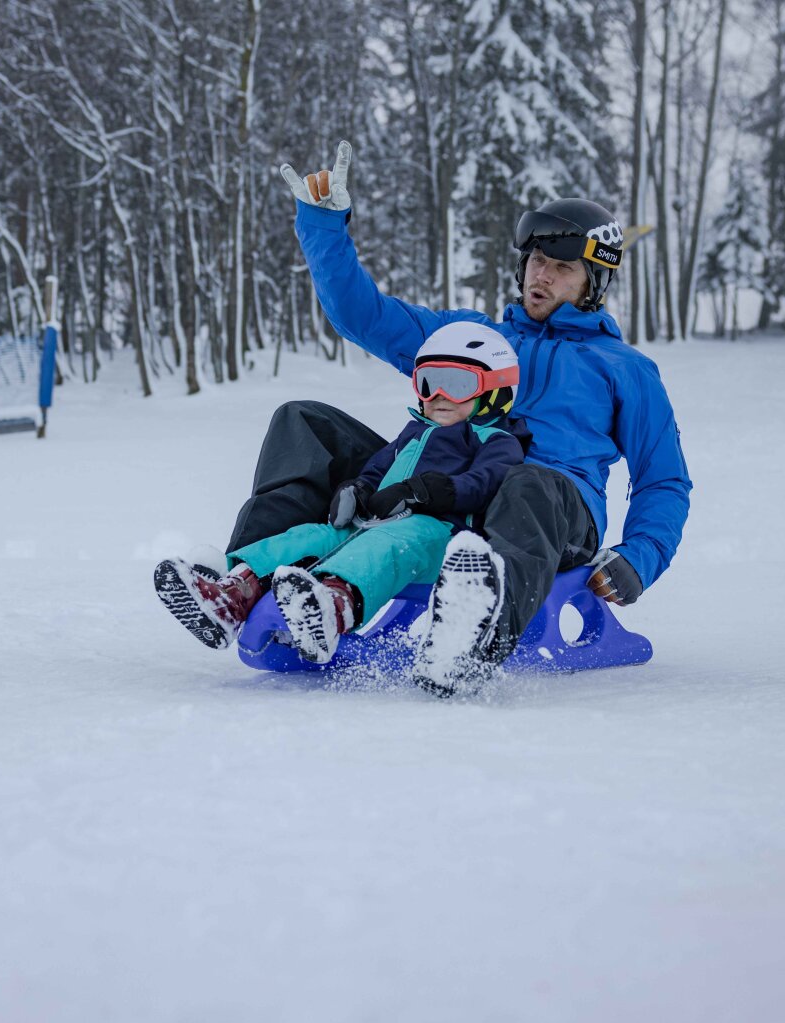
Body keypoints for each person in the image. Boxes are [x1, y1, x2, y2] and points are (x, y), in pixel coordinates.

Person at [229, 140, 691, 695]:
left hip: (552, 511)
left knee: (528, 480)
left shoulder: (623, 368)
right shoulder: (475, 339)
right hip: (449, 490)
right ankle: (243, 586)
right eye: (537, 261)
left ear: (594, 281)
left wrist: (640, 557)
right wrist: (324, 228)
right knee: (304, 422)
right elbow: (366, 317)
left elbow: (664, 478)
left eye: (563, 267)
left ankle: (472, 644)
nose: (542, 275)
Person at [155, 322, 528, 665]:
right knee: (310, 536)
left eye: (458, 384)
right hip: (373, 524)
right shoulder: (413, 432)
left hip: (435, 536)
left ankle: (332, 608)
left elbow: (488, 483)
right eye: (428, 383)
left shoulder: (497, 440)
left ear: (495, 391)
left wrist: (429, 491)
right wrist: (358, 489)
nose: (440, 395)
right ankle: (232, 596)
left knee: (388, 546)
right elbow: (377, 469)